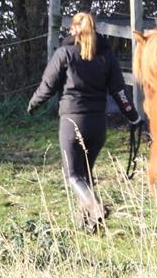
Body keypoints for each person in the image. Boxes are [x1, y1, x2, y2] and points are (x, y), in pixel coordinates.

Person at [27, 12, 141, 231]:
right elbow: (119, 92)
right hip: (98, 125)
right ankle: (87, 224)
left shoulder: (64, 53)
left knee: (72, 175)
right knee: (85, 173)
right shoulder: (107, 56)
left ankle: (95, 208)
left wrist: (33, 104)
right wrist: (133, 116)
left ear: (72, 30)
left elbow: (47, 86)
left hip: (72, 121)